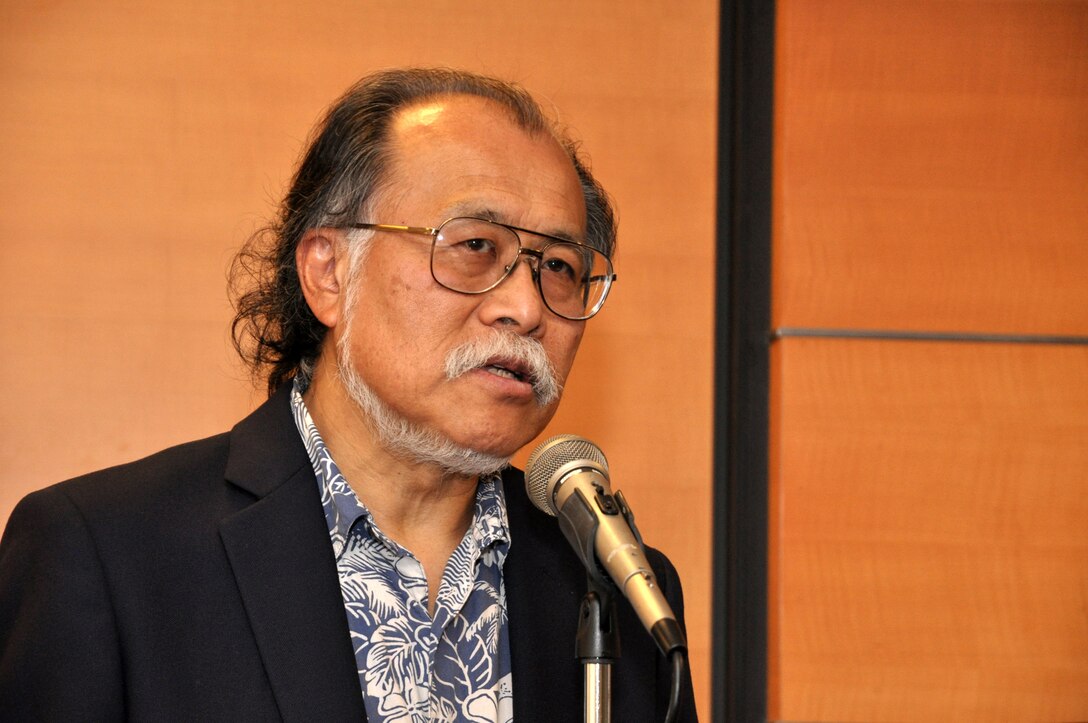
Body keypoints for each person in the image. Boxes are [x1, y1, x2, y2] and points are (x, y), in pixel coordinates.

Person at [0, 68, 696, 722]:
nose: (525, 305)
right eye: (475, 244)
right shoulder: (106, 554)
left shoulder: (618, 587)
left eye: (560, 266)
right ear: (328, 274)